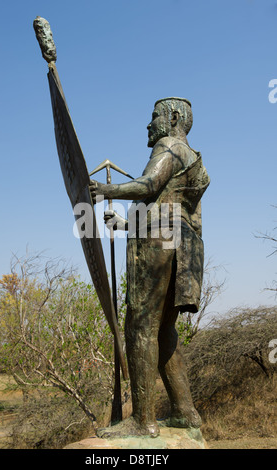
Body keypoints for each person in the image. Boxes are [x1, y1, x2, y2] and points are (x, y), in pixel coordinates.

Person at [90, 97, 210, 438]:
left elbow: (149, 186)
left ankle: (143, 420)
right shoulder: (195, 160)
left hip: (158, 241)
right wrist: (127, 225)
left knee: (141, 325)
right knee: (164, 330)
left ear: (172, 118)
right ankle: (185, 412)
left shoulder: (168, 146)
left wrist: (105, 189)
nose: (149, 123)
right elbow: (169, 212)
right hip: (183, 244)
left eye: (154, 116)